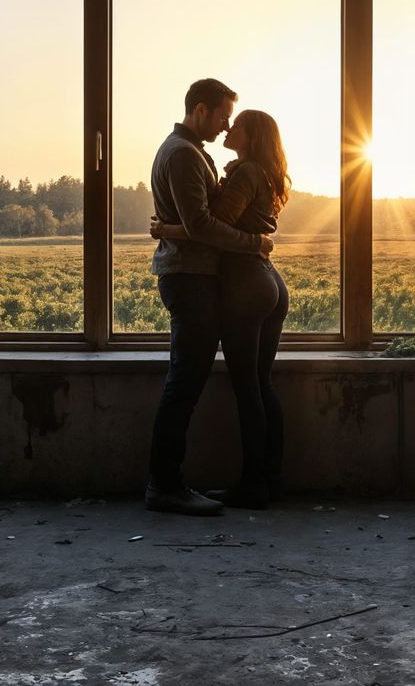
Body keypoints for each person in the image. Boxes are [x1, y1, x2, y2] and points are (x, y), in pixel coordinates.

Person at [144, 78, 275, 516]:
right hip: (190, 277)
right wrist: (254, 243)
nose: (224, 126)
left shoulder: (190, 152)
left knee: (190, 379)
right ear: (200, 111)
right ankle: (164, 485)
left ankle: (169, 483)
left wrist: (167, 228)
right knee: (185, 382)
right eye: (221, 116)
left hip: (195, 275)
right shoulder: (183, 155)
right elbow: (202, 226)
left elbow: (197, 221)